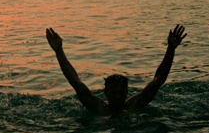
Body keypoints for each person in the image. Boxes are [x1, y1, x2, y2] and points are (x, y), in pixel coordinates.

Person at [45, 24, 187, 116]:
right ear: (106, 92)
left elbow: (158, 80)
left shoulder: (133, 106)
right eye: (113, 92)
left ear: (127, 91)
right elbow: (75, 82)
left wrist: (171, 49)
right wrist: (59, 51)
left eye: (121, 92)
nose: (118, 97)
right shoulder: (99, 109)